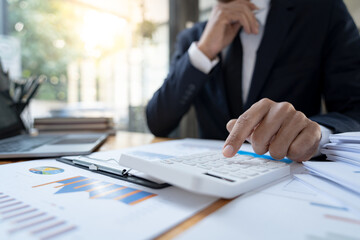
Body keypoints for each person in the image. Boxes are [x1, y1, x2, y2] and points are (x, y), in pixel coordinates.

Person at [146, 0, 360, 162]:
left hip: (288, 176)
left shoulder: (324, 11)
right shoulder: (193, 38)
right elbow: (158, 121)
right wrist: (204, 51)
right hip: (209, 177)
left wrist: (315, 133)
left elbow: (355, 110)